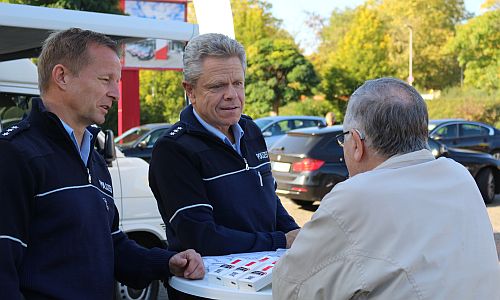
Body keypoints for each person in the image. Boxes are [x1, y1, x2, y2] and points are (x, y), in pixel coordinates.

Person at [0, 28, 204, 300]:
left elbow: (112, 245)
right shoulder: (14, 155)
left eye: (117, 81)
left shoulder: (93, 158)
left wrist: (166, 263)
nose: (115, 93)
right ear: (62, 76)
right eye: (105, 79)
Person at [273, 78, 500, 299]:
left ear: (356, 143)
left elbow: (290, 287)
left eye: (344, 139)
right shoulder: (459, 175)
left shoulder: (356, 197)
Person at [149, 33, 299, 255]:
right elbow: (201, 237)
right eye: (218, 86)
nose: (232, 95)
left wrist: (297, 235)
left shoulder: (251, 131)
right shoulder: (174, 150)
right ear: (190, 91)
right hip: (210, 287)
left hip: (263, 276)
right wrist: (280, 240)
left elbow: (269, 202)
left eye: (238, 83)